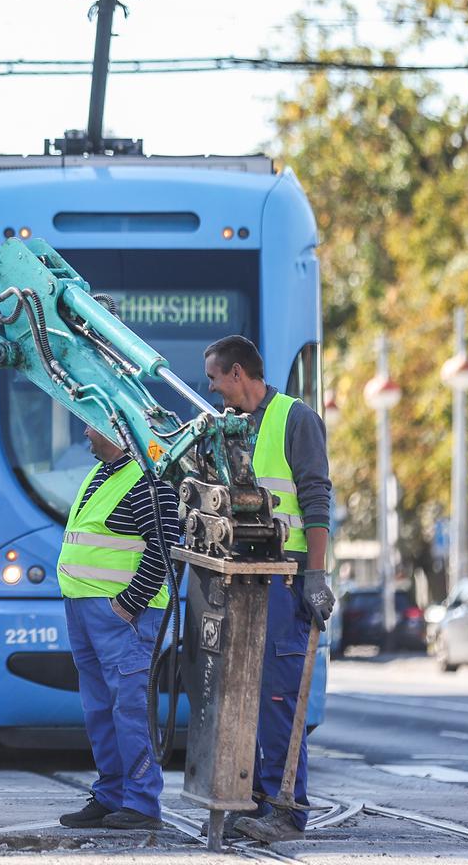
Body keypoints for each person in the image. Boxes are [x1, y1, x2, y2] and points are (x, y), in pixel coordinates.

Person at [203, 336, 335, 844]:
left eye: (216, 380)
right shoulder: (234, 428)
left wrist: (316, 575)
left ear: (239, 373)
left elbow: (315, 497)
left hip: (287, 577)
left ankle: (287, 809)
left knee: (280, 695)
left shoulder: (295, 419)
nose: (214, 391)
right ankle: (259, 800)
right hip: (247, 577)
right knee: (250, 697)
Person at [56, 424, 179, 832]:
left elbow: (164, 548)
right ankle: (110, 795)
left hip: (125, 618)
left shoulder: (147, 478)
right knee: (99, 710)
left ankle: (142, 803)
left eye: (93, 424)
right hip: (88, 613)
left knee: (130, 709)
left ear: (117, 428)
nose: (85, 432)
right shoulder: (103, 472)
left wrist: (126, 606)